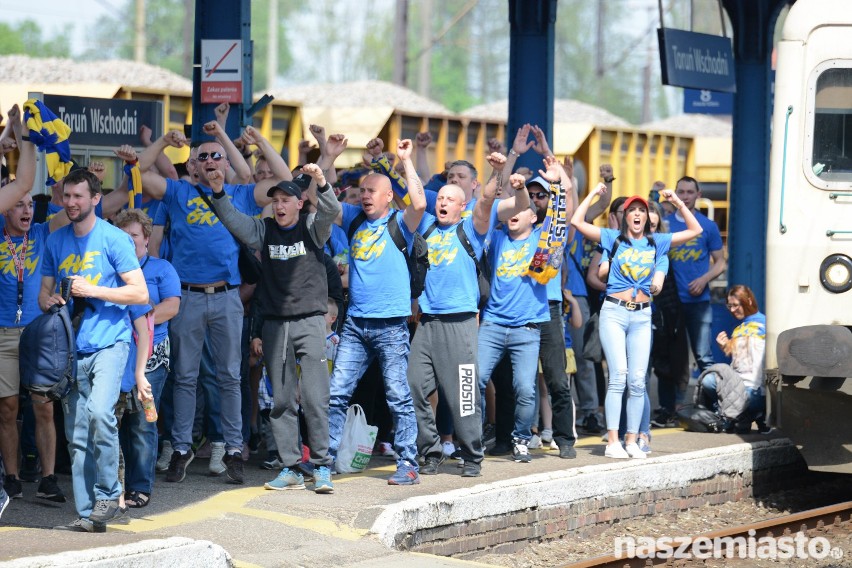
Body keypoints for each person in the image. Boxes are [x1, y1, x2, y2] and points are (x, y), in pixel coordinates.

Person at [139, 124, 282, 485]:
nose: (211, 160)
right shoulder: (178, 192)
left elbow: (285, 180)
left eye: (216, 154)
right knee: (185, 378)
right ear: (193, 165)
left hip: (227, 296)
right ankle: (183, 447)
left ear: (226, 162)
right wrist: (162, 141)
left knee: (230, 377)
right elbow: (141, 173)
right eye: (203, 156)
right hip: (186, 296)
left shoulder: (240, 193)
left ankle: (234, 448)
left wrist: (257, 142)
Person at [208, 163, 341, 494]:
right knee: (281, 401)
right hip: (274, 326)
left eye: (286, 200)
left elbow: (332, 210)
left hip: (310, 321)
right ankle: (291, 467)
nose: (280, 206)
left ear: (299, 203)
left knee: (314, 398)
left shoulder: (313, 227)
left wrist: (321, 181)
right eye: (276, 200)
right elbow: (235, 222)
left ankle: (322, 466)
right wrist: (219, 192)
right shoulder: (264, 230)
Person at [39, 168, 149, 532]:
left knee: (101, 413)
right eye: (66, 197)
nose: (71, 203)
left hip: (110, 343)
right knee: (77, 437)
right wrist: (51, 300)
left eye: (78, 197)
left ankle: (110, 495)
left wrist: (94, 291)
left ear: (95, 199)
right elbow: (43, 293)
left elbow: (140, 293)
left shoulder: (114, 239)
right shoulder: (55, 240)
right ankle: (88, 515)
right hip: (71, 350)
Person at [407, 152, 528, 478]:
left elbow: (488, 198)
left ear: (462, 205)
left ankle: (472, 455)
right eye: (441, 198)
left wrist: (498, 171)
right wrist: (407, 158)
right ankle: (430, 451)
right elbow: (416, 194)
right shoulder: (428, 227)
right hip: (427, 324)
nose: (444, 202)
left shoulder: (472, 228)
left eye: (451, 199)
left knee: (463, 396)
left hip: (459, 325)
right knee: (415, 387)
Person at [571, 185, 700, 460]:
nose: (638, 215)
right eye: (633, 211)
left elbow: (694, 230)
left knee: (639, 381)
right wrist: (594, 192)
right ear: (624, 217)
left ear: (647, 217)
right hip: (615, 313)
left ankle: (632, 439)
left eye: (642, 210)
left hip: (642, 315)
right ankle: (613, 440)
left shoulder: (657, 242)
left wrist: (676, 201)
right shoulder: (612, 238)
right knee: (618, 376)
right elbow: (577, 222)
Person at [327, 139, 426, 486]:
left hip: (391, 326)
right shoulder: (354, 219)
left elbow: (419, 201)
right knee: (337, 393)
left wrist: (406, 160)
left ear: (387, 197)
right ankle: (324, 462)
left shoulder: (402, 222)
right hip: (355, 324)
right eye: (362, 190)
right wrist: (327, 160)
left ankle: (408, 463)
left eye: (372, 191)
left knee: (397, 395)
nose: (365, 195)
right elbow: (324, 200)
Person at [0, 106, 69, 503]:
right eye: (17, 203)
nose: (26, 209)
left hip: (38, 330)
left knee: (43, 406)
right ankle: (11, 476)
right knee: (7, 408)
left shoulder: (44, 231)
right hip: (4, 332)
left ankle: (47, 477)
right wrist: (16, 133)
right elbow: (21, 177)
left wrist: (77, 175)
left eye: (29, 203)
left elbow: (92, 207)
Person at [477, 157, 564, 464]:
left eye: (521, 208)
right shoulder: (496, 237)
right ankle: (472, 439)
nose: (513, 213)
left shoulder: (542, 240)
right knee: (474, 379)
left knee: (525, 389)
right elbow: (488, 207)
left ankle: (521, 439)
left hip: (527, 328)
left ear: (532, 216)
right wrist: (502, 172)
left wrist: (558, 185)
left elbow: (559, 224)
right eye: (510, 209)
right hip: (492, 324)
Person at [114, 207, 180, 509]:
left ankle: (140, 486)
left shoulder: (161, 268)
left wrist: (140, 314)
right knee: (118, 422)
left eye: (134, 236)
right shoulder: (111, 271)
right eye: (123, 236)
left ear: (146, 238)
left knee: (142, 422)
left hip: (152, 357)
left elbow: (172, 307)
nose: (129, 242)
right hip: (117, 353)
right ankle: (118, 484)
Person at [661, 176, 726, 426]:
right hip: (671, 303)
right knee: (672, 358)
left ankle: (715, 406)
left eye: (690, 192)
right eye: (681, 191)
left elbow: (721, 261)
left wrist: (704, 279)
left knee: (703, 356)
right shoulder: (665, 225)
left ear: (698, 194)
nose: (685, 196)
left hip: (699, 301)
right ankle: (674, 407)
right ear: (674, 194)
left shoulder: (707, 226)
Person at [698, 285, 770, 434]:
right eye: (729, 306)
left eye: (736, 305)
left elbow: (761, 363)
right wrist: (725, 347)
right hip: (740, 385)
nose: (732, 310)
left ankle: (756, 413)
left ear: (748, 301)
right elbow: (742, 362)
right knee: (708, 381)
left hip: (755, 390)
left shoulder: (764, 325)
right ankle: (743, 415)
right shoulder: (740, 328)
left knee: (735, 396)